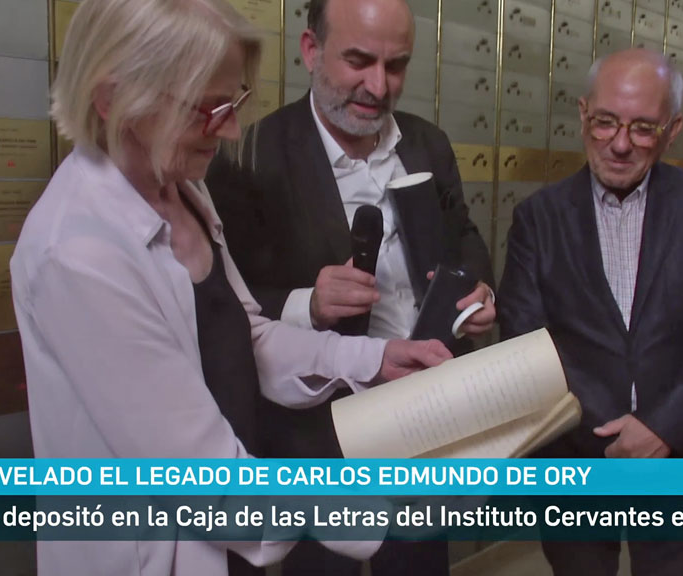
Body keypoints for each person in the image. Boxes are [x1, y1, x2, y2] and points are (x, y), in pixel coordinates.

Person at [9, 1, 451, 575]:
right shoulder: (78, 254)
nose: (233, 129)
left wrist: (374, 360)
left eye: (233, 102)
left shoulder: (180, 186)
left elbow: (246, 336)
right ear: (114, 99)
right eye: (208, 108)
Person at [206, 0, 494, 573]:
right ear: (311, 50)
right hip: (319, 436)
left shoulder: (429, 144)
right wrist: (306, 304)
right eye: (358, 61)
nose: (378, 86)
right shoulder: (251, 155)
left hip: (426, 421)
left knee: (419, 561)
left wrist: (478, 289)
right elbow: (224, 307)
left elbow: (463, 234)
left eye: (396, 65)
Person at [497, 48, 683, 576]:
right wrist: (609, 431)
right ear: (582, 114)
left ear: (673, 129)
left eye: (643, 128)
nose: (620, 144)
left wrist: (659, 427)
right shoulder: (537, 218)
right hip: (574, 460)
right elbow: (525, 336)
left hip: (682, 454)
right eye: (605, 122)